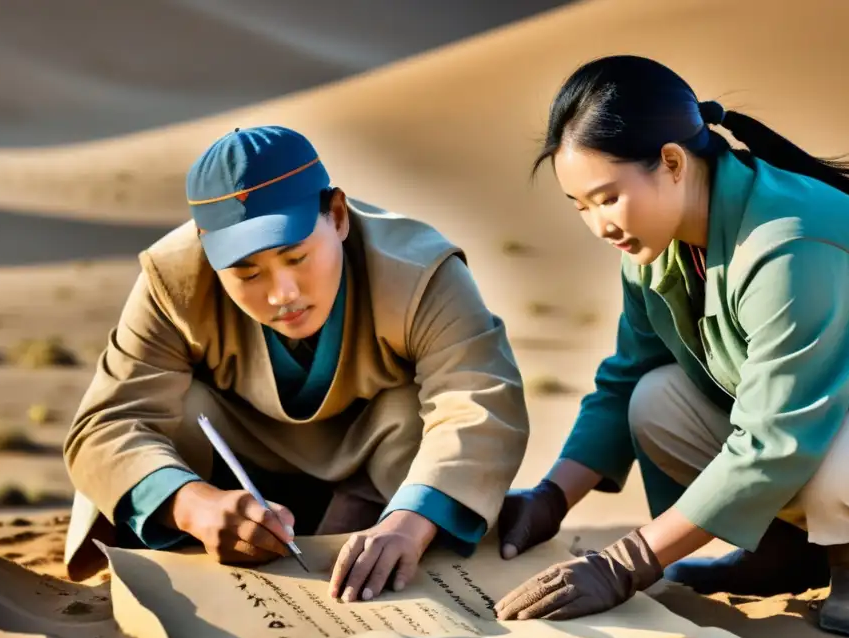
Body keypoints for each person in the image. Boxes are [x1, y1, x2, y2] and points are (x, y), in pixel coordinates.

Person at [493, 54, 849, 638]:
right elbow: (626, 377)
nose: (598, 224)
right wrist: (552, 497)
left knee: (840, 447)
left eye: (607, 197)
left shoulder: (794, 244)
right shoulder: (656, 245)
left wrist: (627, 562)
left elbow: (778, 438)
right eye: (580, 206)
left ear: (673, 163)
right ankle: (777, 553)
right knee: (655, 398)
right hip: (806, 426)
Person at [62, 125, 530, 603]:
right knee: (183, 407)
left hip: (378, 481)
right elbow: (108, 424)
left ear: (339, 216)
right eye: (247, 272)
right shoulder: (172, 278)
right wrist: (192, 505)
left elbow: (479, 400)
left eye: (296, 256)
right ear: (205, 247)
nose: (282, 293)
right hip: (232, 478)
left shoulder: (421, 272)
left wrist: (410, 523)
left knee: (414, 411)